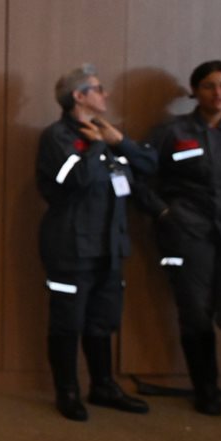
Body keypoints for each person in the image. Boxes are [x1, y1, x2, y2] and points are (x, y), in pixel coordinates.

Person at [36, 64, 157, 421]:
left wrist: (119, 142)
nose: (105, 94)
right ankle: (68, 391)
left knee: (102, 321)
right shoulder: (57, 137)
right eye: (98, 88)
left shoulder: (107, 135)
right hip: (70, 249)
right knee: (67, 323)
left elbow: (148, 167)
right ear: (79, 96)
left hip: (109, 249)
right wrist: (93, 148)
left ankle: (103, 386)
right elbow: (72, 181)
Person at [138, 60, 221, 415]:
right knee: (195, 314)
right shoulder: (171, 132)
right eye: (210, 85)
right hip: (188, 236)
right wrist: (164, 213)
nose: (218, 93)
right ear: (195, 91)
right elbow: (139, 176)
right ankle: (206, 390)